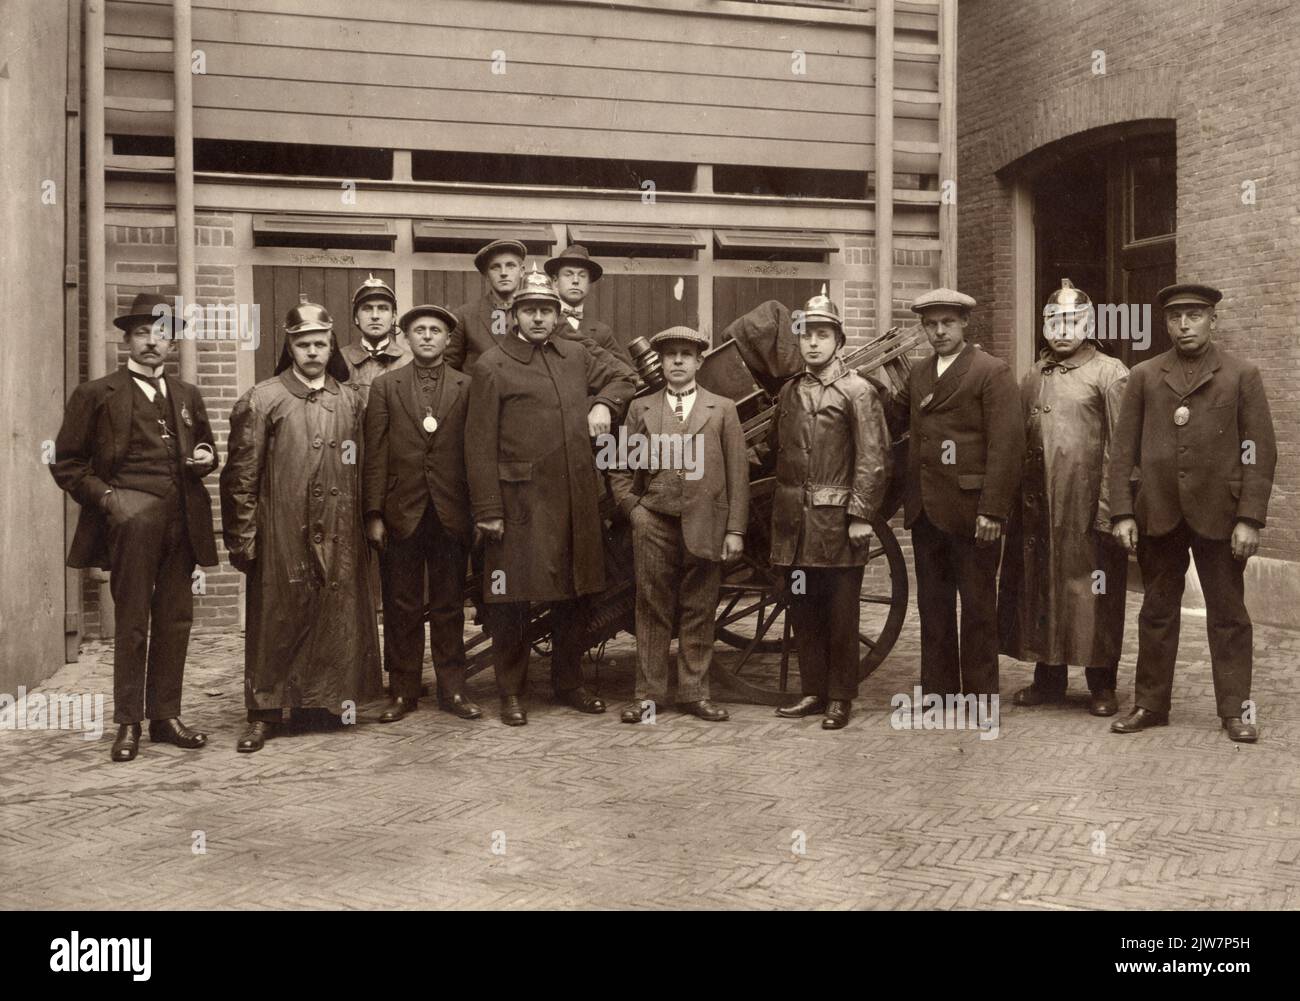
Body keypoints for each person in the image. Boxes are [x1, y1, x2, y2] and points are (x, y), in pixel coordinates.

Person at [51, 292, 219, 761]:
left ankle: (165, 716)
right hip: (129, 525)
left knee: (176, 620)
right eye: (143, 332)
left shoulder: (187, 395)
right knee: (132, 623)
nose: (152, 342)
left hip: (180, 524)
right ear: (127, 339)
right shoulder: (95, 394)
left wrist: (207, 458)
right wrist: (109, 500)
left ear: (172, 343)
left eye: (162, 333)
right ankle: (128, 724)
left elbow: (204, 447)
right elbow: (68, 464)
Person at [1106, 283, 1277, 743]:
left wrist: (1249, 517)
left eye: (1195, 315)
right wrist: (1122, 512)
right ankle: (1150, 704)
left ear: (1213, 321)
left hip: (1220, 515)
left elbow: (1257, 450)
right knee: (1156, 612)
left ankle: (1235, 712)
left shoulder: (1241, 375)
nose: (1185, 324)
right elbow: (1121, 451)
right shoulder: (1143, 375)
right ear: (1165, 323)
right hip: (1158, 511)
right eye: (1176, 317)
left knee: (1229, 614)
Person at [466, 267, 634, 725]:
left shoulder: (576, 355)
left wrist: (603, 403)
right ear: (515, 315)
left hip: (576, 498)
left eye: (545, 309)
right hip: (519, 504)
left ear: (558, 313)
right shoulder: (492, 365)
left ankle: (569, 683)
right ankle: (512, 692)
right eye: (529, 310)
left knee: (575, 595)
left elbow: (625, 378)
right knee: (511, 599)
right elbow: (478, 445)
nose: (538, 318)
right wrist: (487, 510)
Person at [220, 300, 383, 752]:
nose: (312, 351)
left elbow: (365, 464)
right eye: (303, 343)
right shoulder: (263, 399)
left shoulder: (349, 399)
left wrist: (366, 518)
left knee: (334, 614)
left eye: (320, 343)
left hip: (339, 527)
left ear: (332, 345)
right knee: (277, 616)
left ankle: (321, 703)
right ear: (289, 346)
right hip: (281, 530)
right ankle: (265, 712)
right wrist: (244, 537)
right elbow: (240, 476)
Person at [999, 280, 1130, 717]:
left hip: (1086, 504)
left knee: (1092, 592)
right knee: (1041, 588)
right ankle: (1048, 678)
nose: (1062, 330)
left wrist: (1113, 510)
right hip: (1038, 506)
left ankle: (1101, 683)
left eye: (1071, 321)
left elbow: (1122, 446)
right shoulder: (1033, 374)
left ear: (1088, 324)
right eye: (1053, 321)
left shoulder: (1111, 373)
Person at [607, 326, 748, 724]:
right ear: (661, 362)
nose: (679, 361)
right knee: (651, 608)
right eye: (671, 355)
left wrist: (735, 529)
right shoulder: (642, 408)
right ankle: (649, 695)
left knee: (700, 606)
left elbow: (739, 474)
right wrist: (634, 509)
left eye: (687, 354)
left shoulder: (722, 409)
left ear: (700, 361)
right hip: (653, 521)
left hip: (706, 520)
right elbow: (619, 467)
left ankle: (694, 693)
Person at [894, 288, 1023, 703]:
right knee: (933, 608)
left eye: (947, 323)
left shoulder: (991, 371)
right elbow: (894, 417)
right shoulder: (918, 374)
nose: (939, 332)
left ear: (965, 323)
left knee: (979, 608)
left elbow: (1006, 446)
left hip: (973, 513)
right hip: (927, 510)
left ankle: (982, 696)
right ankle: (939, 692)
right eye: (930, 325)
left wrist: (993, 510)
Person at [771, 290, 891, 730]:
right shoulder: (789, 392)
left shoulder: (858, 391)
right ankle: (812, 691)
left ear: (838, 341)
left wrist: (861, 514)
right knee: (803, 609)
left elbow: (874, 457)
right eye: (806, 335)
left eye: (822, 335)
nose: (813, 343)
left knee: (841, 615)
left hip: (837, 524)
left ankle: (840, 696)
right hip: (794, 526)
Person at [363, 304, 481, 723]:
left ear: (448, 339)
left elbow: (477, 453)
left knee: (450, 605)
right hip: (402, 511)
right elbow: (375, 454)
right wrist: (374, 513)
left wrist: (479, 511)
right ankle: (403, 690)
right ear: (406, 338)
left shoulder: (469, 386)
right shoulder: (385, 386)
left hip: (451, 511)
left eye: (436, 330)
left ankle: (453, 689)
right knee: (401, 605)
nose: (428, 336)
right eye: (419, 330)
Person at [544, 243, 634, 368]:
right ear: (555, 282)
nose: (575, 280)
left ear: (589, 283)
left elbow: (625, 371)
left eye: (582, 275)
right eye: (568, 274)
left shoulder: (602, 332)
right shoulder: (541, 321)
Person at [448, 239, 526, 373]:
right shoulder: (464, 316)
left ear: (522, 271)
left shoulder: (536, 314)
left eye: (510, 265)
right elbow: (450, 370)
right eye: (495, 267)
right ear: (486, 275)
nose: (503, 273)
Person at [340, 273, 408, 405]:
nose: (375, 316)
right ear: (356, 318)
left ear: (394, 317)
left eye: (383, 309)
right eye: (367, 309)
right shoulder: (340, 359)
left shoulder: (409, 361)